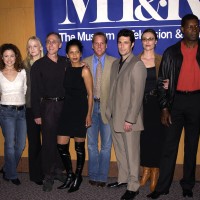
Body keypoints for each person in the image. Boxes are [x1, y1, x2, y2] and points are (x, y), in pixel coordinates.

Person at [147, 14, 200, 199]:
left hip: (196, 102)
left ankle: (187, 185)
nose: (194, 30)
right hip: (175, 103)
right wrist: (164, 107)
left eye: (196, 26)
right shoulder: (171, 52)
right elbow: (162, 82)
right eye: (190, 27)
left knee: (191, 147)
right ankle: (162, 187)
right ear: (182, 29)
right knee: (169, 146)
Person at [106, 29, 147, 200]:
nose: (122, 46)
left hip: (130, 120)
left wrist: (130, 119)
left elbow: (137, 96)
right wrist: (109, 112)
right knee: (121, 152)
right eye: (119, 42)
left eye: (125, 42)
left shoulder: (137, 64)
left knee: (132, 154)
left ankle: (133, 186)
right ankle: (123, 179)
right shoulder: (116, 63)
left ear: (132, 44)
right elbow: (113, 89)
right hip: (115, 117)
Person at [31, 32, 68, 192]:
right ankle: (48, 175)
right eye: (48, 42)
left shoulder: (66, 62)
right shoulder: (38, 65)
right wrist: (37, 114)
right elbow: (35, 92)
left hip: (64, 106)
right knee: (48, 142)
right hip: (47, 107)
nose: (51, 44)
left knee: (62, 141)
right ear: (45, 45)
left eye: (54, 42)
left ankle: (58, 170)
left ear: (60, 45)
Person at [57, 39, 93, 193]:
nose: (74, 55)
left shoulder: (85, 70)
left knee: (79, 147)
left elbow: (91, 94)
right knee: (61, 145)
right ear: (67, 54)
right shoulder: (65, 69)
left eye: (77, 52)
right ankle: (70, 175)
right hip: (67, 111)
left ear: (81, 53)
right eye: (71, 52)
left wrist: (89, 114)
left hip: (80, 111)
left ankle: (78, 176)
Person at [83, 32, 116, 187]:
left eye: (102, 43)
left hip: (107, 107)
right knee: (91, 144)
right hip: (90, 107)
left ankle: (102, 177)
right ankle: (93, 175)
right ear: (92, 45)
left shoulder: (114, 62)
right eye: (96, 43)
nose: (99, 46)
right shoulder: (84, 62)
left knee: (106, 145)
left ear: (107, 45)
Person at [138, 29, 164, 192]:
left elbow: (168, 80)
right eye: (145, 39)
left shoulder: (161, 59)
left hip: (157, 104)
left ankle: (155, 172)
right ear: (141, 42)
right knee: (144, 138)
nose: (148, 42)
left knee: (157, 138)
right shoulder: (135, 60)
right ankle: (146, 170)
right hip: (141, 105)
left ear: (156, 41)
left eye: (151, 39)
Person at [0, 43, 27, 185]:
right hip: (6, 112)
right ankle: (11, 174)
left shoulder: (22, 72)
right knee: (10, 144)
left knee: (21, 144)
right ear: (2, 58)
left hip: (21, 112)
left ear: (16, 56)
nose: (9, 59)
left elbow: (25, 90)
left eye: (12, 55)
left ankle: (7, 168)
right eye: (6, 56)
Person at [23, 36, 44, 185]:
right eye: (29, 47)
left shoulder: (47, 63)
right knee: (34, 143)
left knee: (50, 142)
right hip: (30, 108)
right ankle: (36, 175)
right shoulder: (23, 66)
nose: (32, 49)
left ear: (40, 47)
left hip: (48, 108)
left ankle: (47, 171)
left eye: (35, 46)